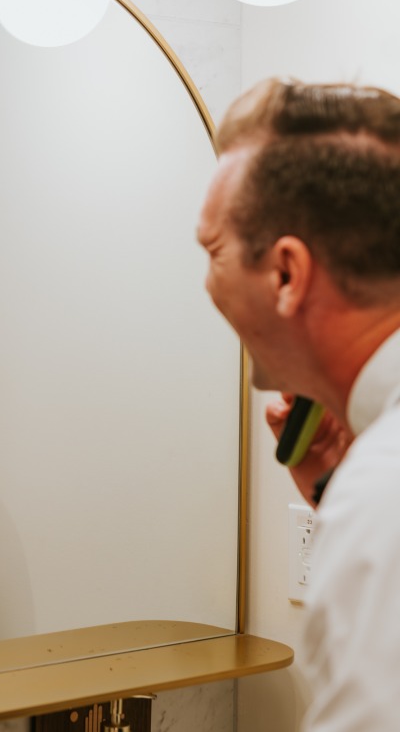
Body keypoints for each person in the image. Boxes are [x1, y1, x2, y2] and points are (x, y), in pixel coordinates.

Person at [197, 77, 400, 731]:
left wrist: (360, 498)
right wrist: (335, 493)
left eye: (213, 250)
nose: (206, 282)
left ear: (287, 274)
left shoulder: (383, 496)